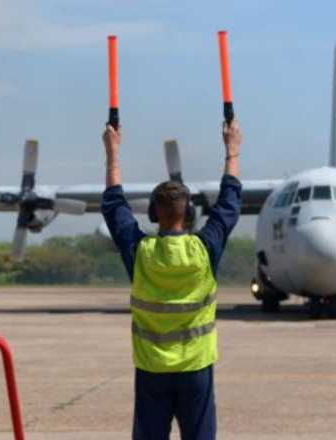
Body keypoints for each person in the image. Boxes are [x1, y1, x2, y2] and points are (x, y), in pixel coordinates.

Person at [101, 120, 243, 440]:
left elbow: (113, 204)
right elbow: (230, 203)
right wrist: (232, 150)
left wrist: (112, 153)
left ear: (153, 213)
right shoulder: (204, 250)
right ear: (189, 213)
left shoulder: (140, 253)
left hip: (152, 370)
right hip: (195, 369)